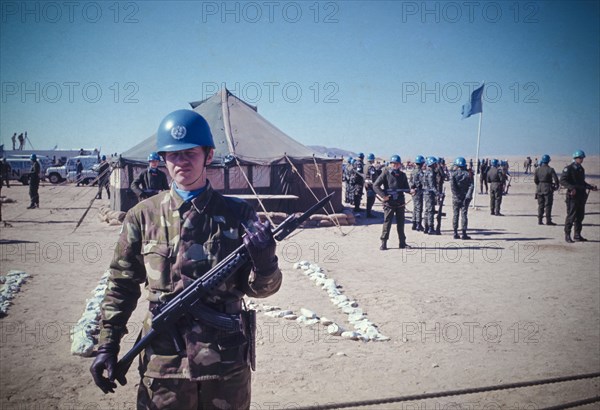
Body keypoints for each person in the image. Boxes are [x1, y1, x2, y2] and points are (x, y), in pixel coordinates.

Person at [90, 109, 282, 408]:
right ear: (163, 159)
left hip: (226, 366)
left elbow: (262, 289)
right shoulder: (143, 216)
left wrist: (266, 262)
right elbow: (121, 285)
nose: (182, 162)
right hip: (164, 365)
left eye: (191, 153)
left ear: (208, 155)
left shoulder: (238, 214)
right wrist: (107, 345)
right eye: (173, 155)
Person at [373, 154, 411, 250]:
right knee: (387, 223)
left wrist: (412, 191)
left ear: (399, 165)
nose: (395, 165)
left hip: (400, 202)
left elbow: (406, 188)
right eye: (393, 163)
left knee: (401, 224)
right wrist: (383, 196)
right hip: (389, 203)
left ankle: (402, 243)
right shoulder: (385, 173)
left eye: (396, 164)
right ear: (390, 164)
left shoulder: (403, 175)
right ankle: (384, 243)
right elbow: (375, 185)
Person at [560, 150, 598, 243]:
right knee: (571, 216)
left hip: (581, 196)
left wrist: (590, 187)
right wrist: (571, 188)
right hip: (572, 196)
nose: (582, 160)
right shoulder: (568, 168)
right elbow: (563, 181)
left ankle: (577, 235)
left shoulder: (581, 169)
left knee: (580, 216)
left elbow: (582, 182)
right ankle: (567, 235)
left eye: (582, 158)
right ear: (575, 158)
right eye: (580, 158)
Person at [450, 157, 474, 240]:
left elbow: (453, 187)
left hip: (456, 197)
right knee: (464, 214)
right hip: (464, 197)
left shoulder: (453, 174)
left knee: (455, 214)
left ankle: (455, 232)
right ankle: (464, 233)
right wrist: (468, 195)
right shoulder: (468, 174)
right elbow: (471, 185)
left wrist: (456, 195)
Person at [534, 154, 559, 225]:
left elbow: (535, 180)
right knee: (548, 205)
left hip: (539, 189)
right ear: (548, 161)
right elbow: (556, 180)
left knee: (540, 205)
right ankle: (548, 220)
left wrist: (539, 185)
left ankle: (540, 220)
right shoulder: (550, 169)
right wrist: (556, 186)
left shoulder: (537, 169)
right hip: (548, 188)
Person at [421, 156, 439, 235]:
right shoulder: (431, 172)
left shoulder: (426, 172)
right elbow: (432, 186)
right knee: (430, 211)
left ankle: (426, 227)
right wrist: (438, 193)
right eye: (435, 163)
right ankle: (430, 227)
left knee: (427, 210)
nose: (436, 165)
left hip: (426, 193)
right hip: (429, 193)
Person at [409, 155, 425, 231]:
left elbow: (410, 182)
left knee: (415, 208)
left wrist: (412, 188)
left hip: (413, 191)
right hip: (418, 191)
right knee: (419, 208)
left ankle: (414, 224)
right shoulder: (420, 172)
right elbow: (423, 182)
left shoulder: (413, 171)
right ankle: (418, 224)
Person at [364, 153, 381, 218]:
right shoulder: (371, 167)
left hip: (366, 184)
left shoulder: (365, 166)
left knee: (369, 199)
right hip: (370, 185)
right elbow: (373, 176)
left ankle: (368, 212)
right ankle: (368, 213)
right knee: (371, 199)